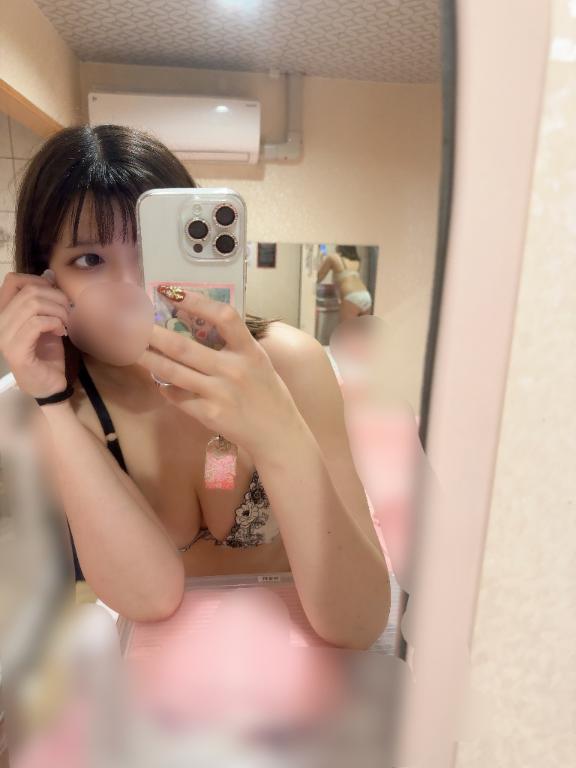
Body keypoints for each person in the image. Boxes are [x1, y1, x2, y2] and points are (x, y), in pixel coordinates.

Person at [0, 125, 389, 650]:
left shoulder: (289, 364)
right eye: (89, 260)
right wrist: (50, 402)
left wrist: (277, 430)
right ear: (46, 280)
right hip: (171, 671)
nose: (132, 289)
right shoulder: (65, 406)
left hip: (306, 654)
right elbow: (151, 598)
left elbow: (358, 622)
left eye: (152, 251)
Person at [317, 245, 373, 321]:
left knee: (346, 328)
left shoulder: (332, 257)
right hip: (366, 295)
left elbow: (317, 278)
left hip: (352, 297)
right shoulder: (356, 261)